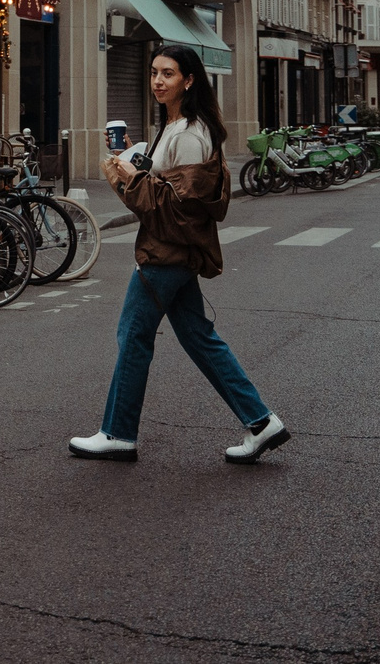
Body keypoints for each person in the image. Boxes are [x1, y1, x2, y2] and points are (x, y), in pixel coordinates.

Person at [71, 43, 289, 466]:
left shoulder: (189, 133)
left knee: (133, 335)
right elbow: (166, 187)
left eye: (168, 73)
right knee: (198, 338)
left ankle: (118, 433)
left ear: (188, 80)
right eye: (154, 72)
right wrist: (133, 163)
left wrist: (130, 178)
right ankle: (261, 422)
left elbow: (180, 208)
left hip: (167, 252)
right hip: (173, 250)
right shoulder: (174, 125)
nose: (157, 81)